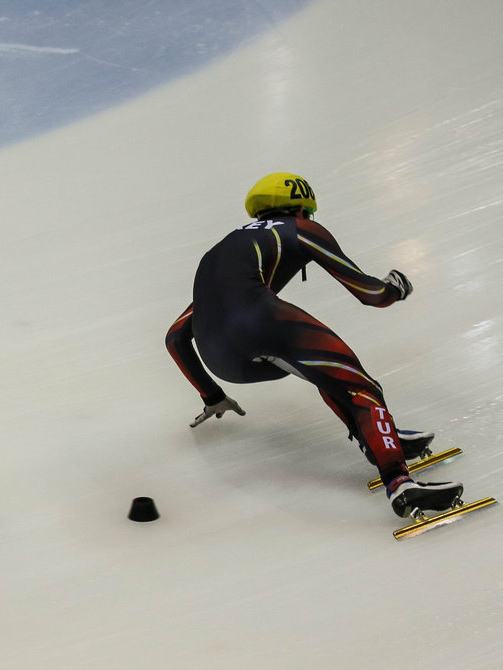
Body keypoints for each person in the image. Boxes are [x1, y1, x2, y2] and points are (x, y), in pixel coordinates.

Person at [165, 174, 464, 517]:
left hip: (221, 358)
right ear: (303, 208)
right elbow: (370, 295)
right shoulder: (299, 228)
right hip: (262, 321)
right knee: (360, 387)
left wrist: (212, 396)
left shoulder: (223, 248)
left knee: (325, 373)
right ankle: (400, 485)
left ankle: (379, 439)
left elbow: (175, 337)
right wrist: (394, 288)